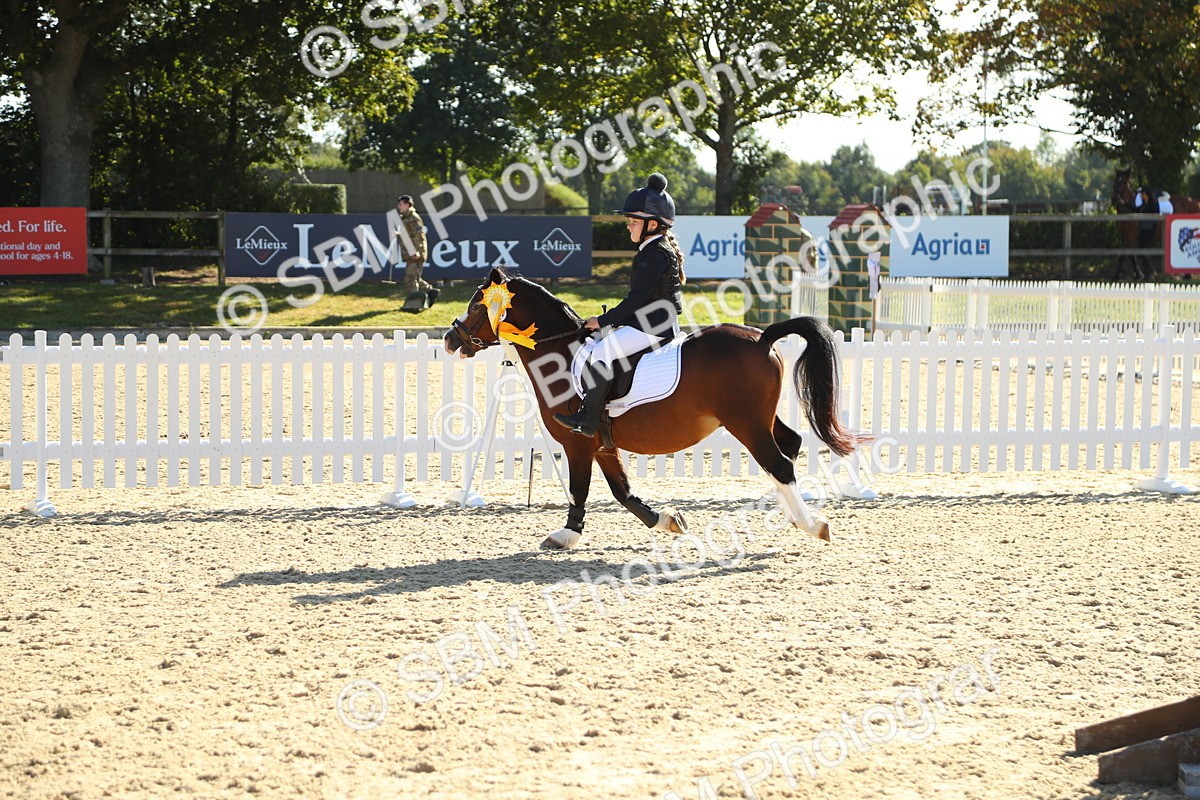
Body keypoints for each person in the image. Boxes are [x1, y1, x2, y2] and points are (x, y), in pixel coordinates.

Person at [553, 172, 686, 437]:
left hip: (652, 327)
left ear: (652, 224)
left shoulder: (654, 253)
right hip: (655, 321)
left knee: (602, 352)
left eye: (634, 221)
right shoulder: (654, 248)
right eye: (629, 221)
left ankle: (588, 419)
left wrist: (602, 321)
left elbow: (636, 300)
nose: (628, 226)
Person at [389, 195, 437, 306]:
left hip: (415, 253)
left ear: (407, 205)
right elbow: (408, 235)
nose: (398, 206)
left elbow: (418, 236)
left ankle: (414, 304)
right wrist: (398, 234)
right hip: (411, 252)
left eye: (401, 204)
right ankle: (430, 291)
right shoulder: (406, 218)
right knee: (412, 277)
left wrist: (416, 252)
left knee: (411, 278)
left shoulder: (413, 218)